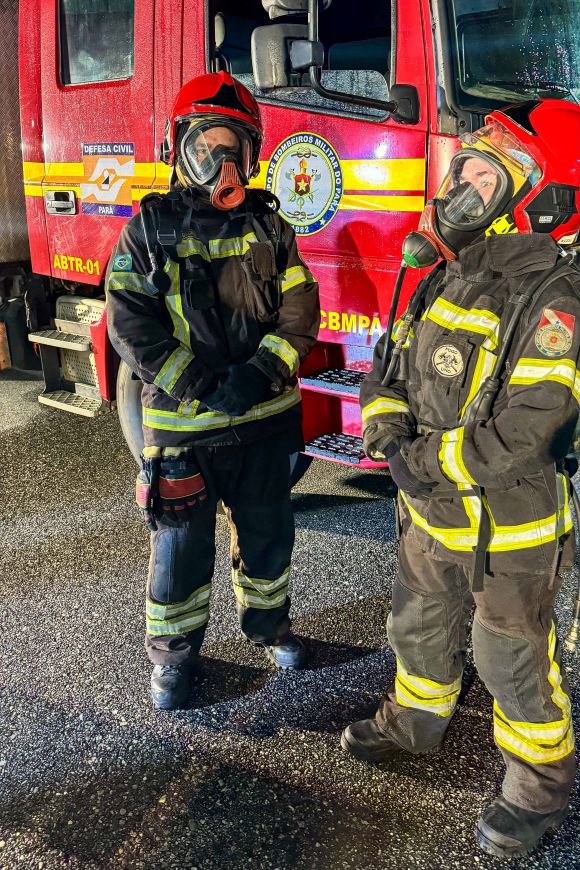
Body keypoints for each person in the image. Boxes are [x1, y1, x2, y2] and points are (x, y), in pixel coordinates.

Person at [341, 99, 580, 858]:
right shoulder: (443, 271)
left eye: (487, 178)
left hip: (508, 529)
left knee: (510, 658)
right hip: (431, 515)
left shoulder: (555, 296)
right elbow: (389, 369)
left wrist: (419, 465)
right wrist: (384, 430)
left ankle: (538, 787)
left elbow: (530, 427)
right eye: (466, 171)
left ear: (541, 198)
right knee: (417, 628)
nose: (462, 189)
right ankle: (413, 725)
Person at [106, 71, 320, 710]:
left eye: (234, 147)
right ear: (179, 150)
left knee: (268, 537)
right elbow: (129, 323)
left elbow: (300, 310)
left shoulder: (271, 228)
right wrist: (197, 383)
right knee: (179, 549)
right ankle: (174, 659)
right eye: (206, 146)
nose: (220, 163)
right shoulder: (149, 230)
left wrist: (259, 373)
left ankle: (270, 628)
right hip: (183, 428)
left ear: (252, 156)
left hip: (265, 417)